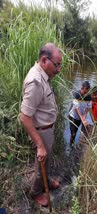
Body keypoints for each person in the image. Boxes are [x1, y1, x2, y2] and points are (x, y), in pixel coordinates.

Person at [20, 43, 62, 206]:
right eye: (57, 64)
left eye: (60, 65)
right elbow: (25, 117)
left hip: (46, 130)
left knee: (47, 160)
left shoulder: (43, 74)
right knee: (41, 164)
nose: (59, 69)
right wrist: (39, 145)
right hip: (41, 132)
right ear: (44, 60)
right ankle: (36, 193)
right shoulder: (35, 81)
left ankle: (48, 180)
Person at [68, 81, 91, 147]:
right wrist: (82, 119)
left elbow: (88, 107)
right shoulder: (76, 94)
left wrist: (84, 116)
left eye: (87, 91)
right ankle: (70, 146)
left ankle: (75, 145)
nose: (86, 93)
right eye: (85, 91)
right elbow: (76, 108)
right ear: (82, 88)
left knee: (77, 130)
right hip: (73, 116)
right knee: (73, 134)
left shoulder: (88, 96)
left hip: (80, 117)